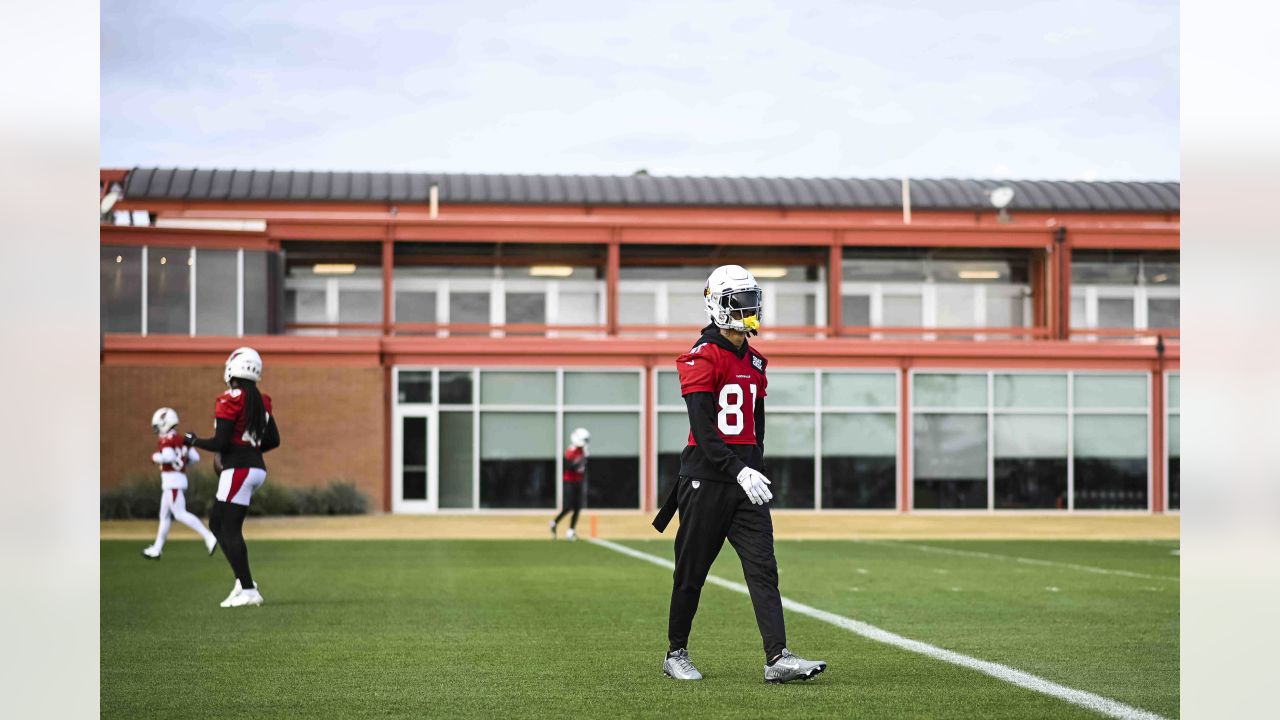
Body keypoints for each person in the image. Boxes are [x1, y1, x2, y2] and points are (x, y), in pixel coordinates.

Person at [652, 264, 827, 684]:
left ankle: (777, 657)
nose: (749, 309)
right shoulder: (701, 356)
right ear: (717, 305)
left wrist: (756, 471)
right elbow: (705, 431)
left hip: (745, 483)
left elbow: (756, 429)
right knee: (691, 572)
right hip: (707, 480)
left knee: (763, 569)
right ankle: (675, 652)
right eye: (740, 301)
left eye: (752, 300)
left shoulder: (756, 360)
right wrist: (739, 470)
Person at [183, 347, 280, 608]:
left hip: (238, 470)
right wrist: (250, 452)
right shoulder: (262, 399)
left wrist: (194, 441)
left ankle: (248, 589)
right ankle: (242, 579)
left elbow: (221, 442)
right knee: (217, 523)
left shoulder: (230, 398)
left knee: (229, 528)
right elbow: (274, 440)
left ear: (233, 368)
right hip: (254, 468)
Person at [141, 407, 218, 559]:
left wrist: (155, 457)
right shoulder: (182, 439)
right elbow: (195, 457)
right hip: (176, 480)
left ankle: (209, 536)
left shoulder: (166, 440)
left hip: (172, 482)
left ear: (164, 423)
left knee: (179, 513)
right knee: (164, 516)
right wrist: (182, 462)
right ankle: (157, 548)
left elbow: (168, 457)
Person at [550, 427, 589, 541]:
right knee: (568, 507)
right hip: (569, 482)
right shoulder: (570, 451)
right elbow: (569, 467)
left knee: (578, 507)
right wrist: (578, 463)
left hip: (578, 481)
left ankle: (570, 531)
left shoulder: (583, 451)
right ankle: (554, 522)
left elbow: (583, 467)